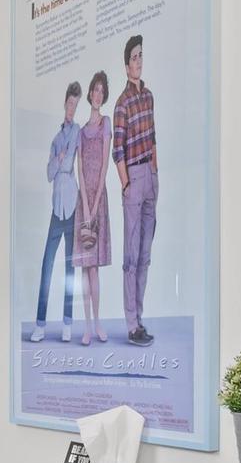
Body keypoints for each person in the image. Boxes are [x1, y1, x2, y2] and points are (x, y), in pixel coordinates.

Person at [112, 34, 158, 346]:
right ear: (126, 64)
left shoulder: (149, 96)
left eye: (141, 56)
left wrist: (156, 171)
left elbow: (153, 137)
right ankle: (131, 324)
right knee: (130, 256)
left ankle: (140, 319)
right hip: (133, 177)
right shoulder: (122, 103)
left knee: (145, 254)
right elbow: (117, 150)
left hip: (150, 175)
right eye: (134, 57)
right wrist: (127, 183)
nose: (138, 62)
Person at [31, 81, 82, 342]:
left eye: (76, 104)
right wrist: (59, 159)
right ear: (65, 103)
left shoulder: (77, 132)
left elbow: (78, 162)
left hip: (72, 203)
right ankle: (40, 323)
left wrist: (64, 162)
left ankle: (67, 323)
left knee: (70, 268)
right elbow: (49, 174)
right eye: (70, 103)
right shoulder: (55, 139)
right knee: (47, 265)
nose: (72, 107)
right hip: (56, 207)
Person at [72, 70, 113, 346]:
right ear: (89, 94)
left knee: (95, 268)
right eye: (94, 90)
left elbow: (104, 167)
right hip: (82, 200)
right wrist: (85, 205)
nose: (97, 94)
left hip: (99, 198)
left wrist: (95, 203)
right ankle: (86, 326)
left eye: (101, 91)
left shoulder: (106, 124)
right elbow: (79, 169)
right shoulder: (80, 131)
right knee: (84, 269)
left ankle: (97, 322)